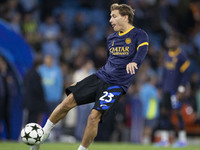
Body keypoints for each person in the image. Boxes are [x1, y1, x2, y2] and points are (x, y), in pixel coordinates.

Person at [31, 3, 149, 150]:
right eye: (110, 17)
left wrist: (135, 62)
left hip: (116, 85)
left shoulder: (139, 34)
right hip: (100, 76)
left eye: (114, 16)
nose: (110, 20)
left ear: (125, 17)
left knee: (93, 116)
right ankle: (43, 134)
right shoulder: (111, 38)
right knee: (68, 101)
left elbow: (142, 50)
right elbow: (112, 61)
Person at [155, 33, 190, 147]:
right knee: (164, 112)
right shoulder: (166, 54)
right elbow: (164, 73)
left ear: (177, 42)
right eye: (170, 40)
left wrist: (181, 89)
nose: (171, 42)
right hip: (166, 89)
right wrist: (160, 87)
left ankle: (182, 139)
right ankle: (164, 140)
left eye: (173, 40)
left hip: (176, 90)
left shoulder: (182, 56)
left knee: (177, 112)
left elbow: (185, 75)